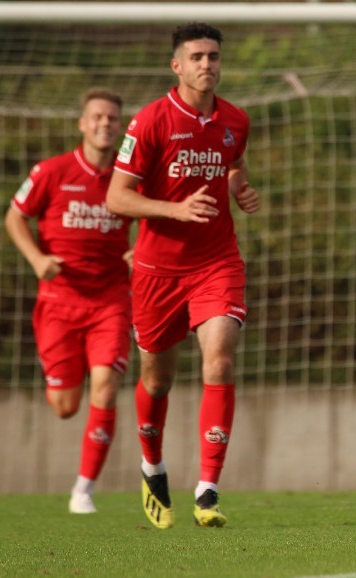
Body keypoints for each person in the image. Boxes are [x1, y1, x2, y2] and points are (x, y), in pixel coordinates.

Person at [107, 22, 260, 529]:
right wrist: (173, 210)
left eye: (213, 56)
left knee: (219, 358)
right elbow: (117, 197)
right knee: (157, 377)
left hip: (216, 262)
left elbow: (232, 164)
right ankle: (153, 469)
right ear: (177, 66)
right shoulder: (150, 122)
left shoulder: (235, 119)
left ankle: (208, 491)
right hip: (156, 271)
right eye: (196, 56)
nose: (206, 64)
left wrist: (239, 187)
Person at [5, 88, 132, 515]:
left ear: (120, 126)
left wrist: (140, 252)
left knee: (106, 386)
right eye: (97, 116)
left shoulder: (127, 176)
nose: (104, 123)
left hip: (111, 300)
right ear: (82, 123)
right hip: (58, 302)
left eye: (112, 118)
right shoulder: (52, 171)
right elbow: (14, 216)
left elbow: (150, 217)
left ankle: (83, 489)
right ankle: (61, 381)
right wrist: (37, 258)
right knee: (64, 406)